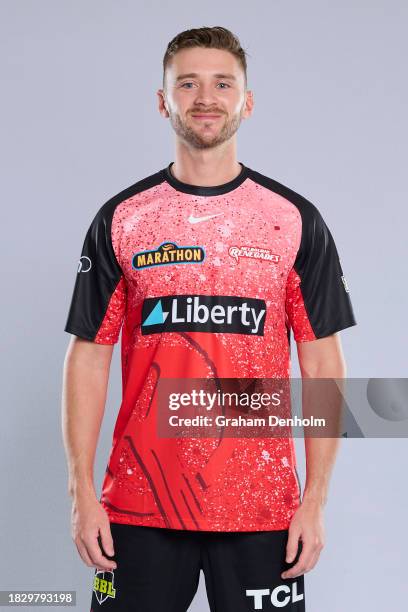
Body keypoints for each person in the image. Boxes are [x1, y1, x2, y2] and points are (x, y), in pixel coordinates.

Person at [62, 26, 357, 612]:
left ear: (245, 101)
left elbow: (322, 361)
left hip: (264, 510)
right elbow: (88, 355)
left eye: (222, 83)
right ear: (162, 99)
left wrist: (316, 500)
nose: (205, 97)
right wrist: (81, 494)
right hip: (138, 507)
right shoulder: (122, 219)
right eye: (187, 83)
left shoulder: (295, 220)